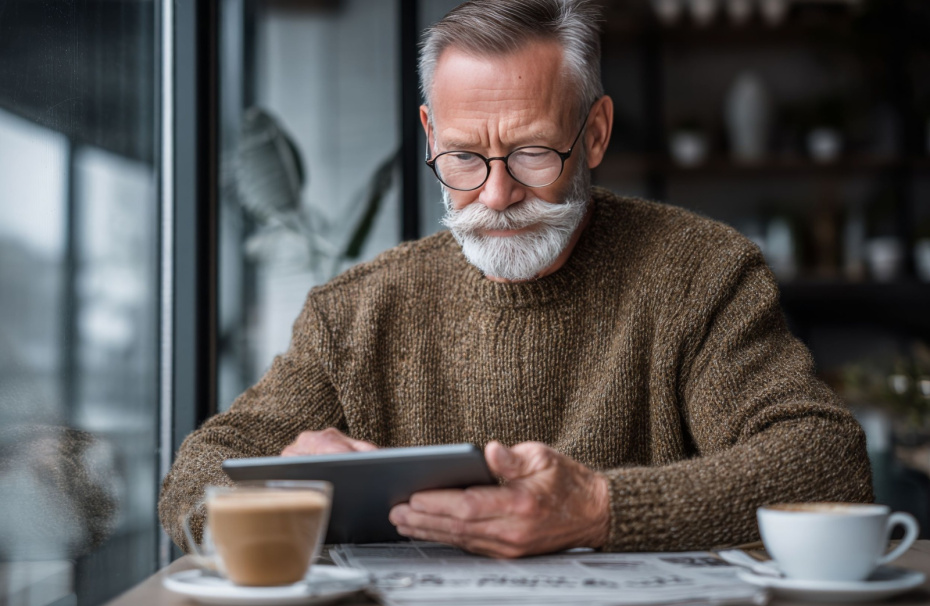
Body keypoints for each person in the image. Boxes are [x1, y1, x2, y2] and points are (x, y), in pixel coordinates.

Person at [159, 0, 872, 558]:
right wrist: (278, 495)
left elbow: (825, 463)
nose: (497, 197)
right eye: (465, 158)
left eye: (533, 153)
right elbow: (194, 476)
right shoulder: (353, 314)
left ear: (594, 134)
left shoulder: (701, 274)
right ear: (430, 135)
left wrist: (598, 508)